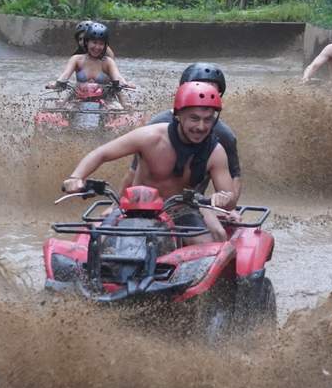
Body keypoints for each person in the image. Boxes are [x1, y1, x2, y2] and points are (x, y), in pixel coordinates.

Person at [62, 82, 234, 243]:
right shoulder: (151, 137)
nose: (201, 127)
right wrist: (76, 177)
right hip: (134, 208)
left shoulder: (216, 152)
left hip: (180, 211)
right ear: (178, 115)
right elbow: (101, 153)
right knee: (93, 241)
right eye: (194, 118)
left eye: (208, 119)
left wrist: (223, 198)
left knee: (209, 248)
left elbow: (229, 197)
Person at [120, 62, 242, 207]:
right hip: (148, 203)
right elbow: (133, 171)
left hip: (192, 205)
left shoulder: (224, 135)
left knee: (217, 230)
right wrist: (115, 206)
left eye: (211, 92)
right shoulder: (156, 126)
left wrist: (230, 206)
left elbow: (234, 176)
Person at [48, 21, 132, 95]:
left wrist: (125, 84)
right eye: (94, 42)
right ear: (87, 42)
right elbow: (65, 75)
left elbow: (117, 76)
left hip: (104, 98)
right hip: (79, 97)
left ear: (105, 45)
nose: (97, 47)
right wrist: (57, 84)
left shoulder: (108, 61)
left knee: (119, 107)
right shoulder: (76, 59)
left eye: (101, 44)